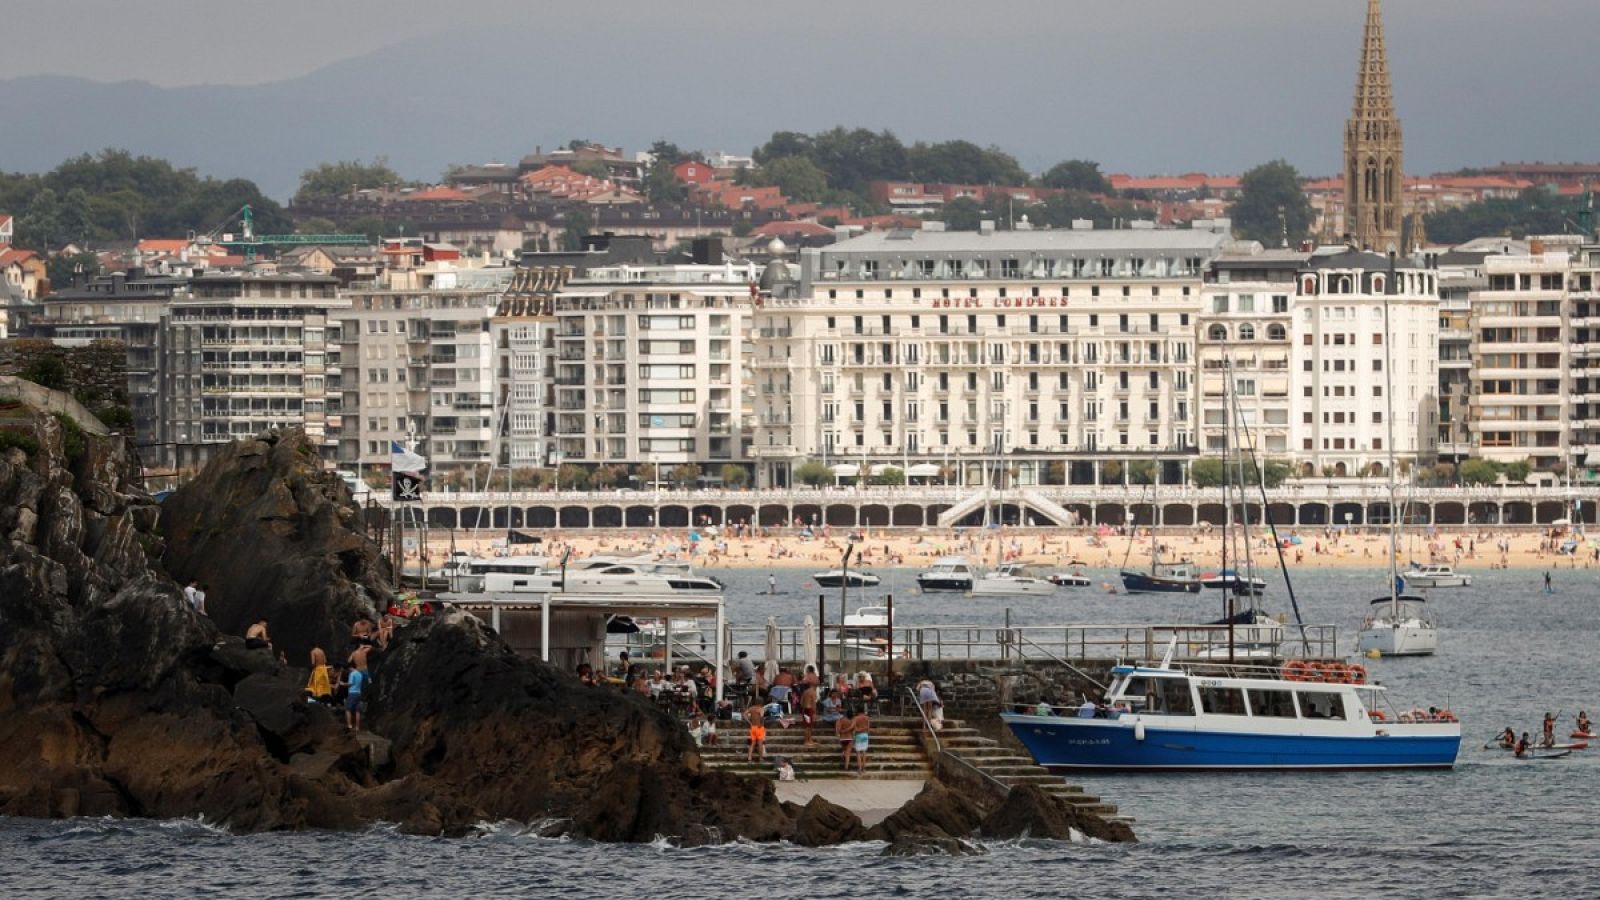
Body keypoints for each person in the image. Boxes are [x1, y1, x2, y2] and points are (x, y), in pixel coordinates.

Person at [343, 658, 367, 731]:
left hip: (352, 693)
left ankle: (349, 725)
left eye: (348, 669)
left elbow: (350, 684)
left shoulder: (352, 674)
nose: (348, 670)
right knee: (357, 711)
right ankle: (357, 727)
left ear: (350, 667)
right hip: (359, 693)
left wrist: (343, 684)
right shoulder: (360, 674)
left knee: (348, 709)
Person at [849, 707, 871, 775]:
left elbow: (853, 727)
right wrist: (864, 730)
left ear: (858, 712)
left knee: (858, 753)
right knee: (864, 752)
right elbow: (868, 728)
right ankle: (864, 769)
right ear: (863, 711)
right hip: (865, 735)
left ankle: (859, 769)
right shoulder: (867, 718)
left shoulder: (855, 718)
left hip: (858, 735)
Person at [799, 681, 819, 748]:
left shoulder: (805, 692)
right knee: (808, 727)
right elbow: (814, 703)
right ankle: (806, 741)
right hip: (809, 710)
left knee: (809, 726)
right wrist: (815, 713)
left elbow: (801, 702)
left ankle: (810, 740)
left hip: (805, 709)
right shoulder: (813, 692)